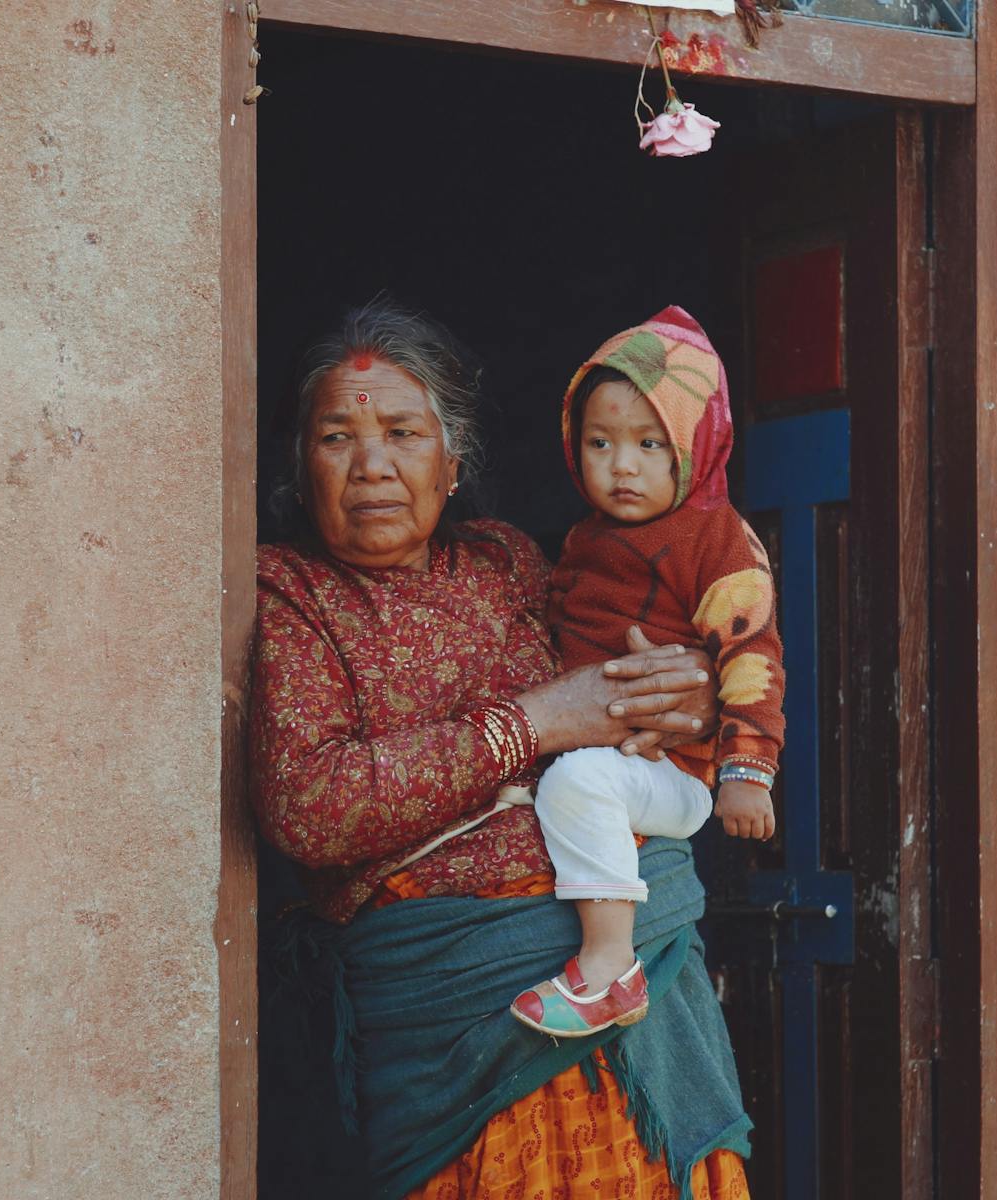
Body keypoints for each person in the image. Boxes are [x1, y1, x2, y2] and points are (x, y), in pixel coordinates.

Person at [250, 298, 754, 1199]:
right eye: (337, 437)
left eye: (404, 432)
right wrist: (533, 724)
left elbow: (633, 668)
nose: (372, 466)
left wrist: (695, 697)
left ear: (454, 463)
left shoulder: (511, 562)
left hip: (636, 990)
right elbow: (307, 805)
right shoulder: (288, 593)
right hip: (458, 1021)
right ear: (301, 460)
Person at [509, 307, 784, 1039]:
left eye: (649, 444)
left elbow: (753, 655)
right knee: (566, 779)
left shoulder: (718, 538)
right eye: (600, 443)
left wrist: (745, 772)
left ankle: (609, 970)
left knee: (577, 783)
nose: (621, 465)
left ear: (696, 446)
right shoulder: (585, 539)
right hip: (607, 758)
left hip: (678, 774)